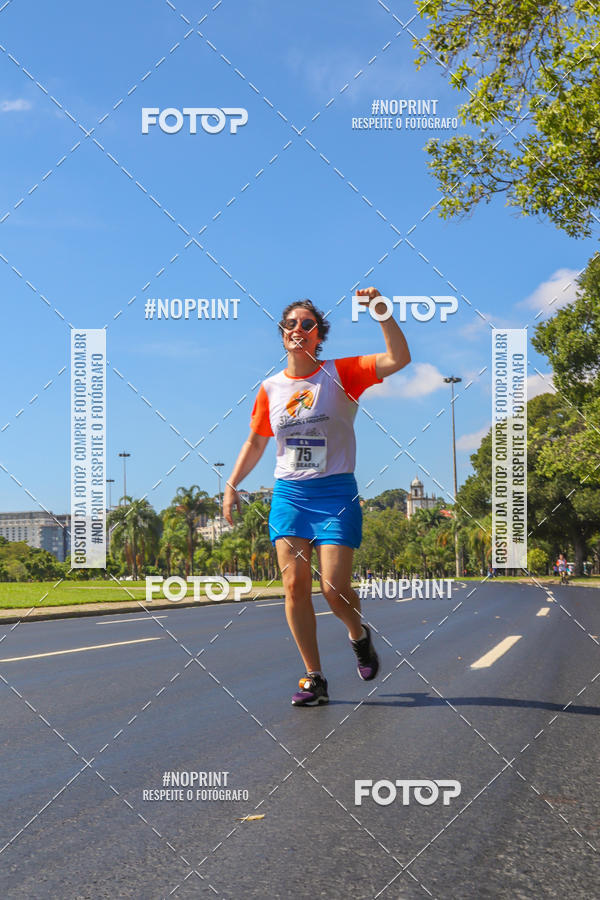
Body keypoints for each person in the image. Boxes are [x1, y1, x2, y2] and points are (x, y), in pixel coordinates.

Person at [223, 288, 410, 706]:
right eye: (291, 324)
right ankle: (314, 677)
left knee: (334, 588)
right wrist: (233, 483)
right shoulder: (269, 388)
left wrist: (381, 312)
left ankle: (358, 635)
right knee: (293, 586)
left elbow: (398, 359)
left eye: (307, 324)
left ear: (318, 335)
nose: (298, 329)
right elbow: (255, 442)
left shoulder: (341, 373)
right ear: (282, 333)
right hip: (290, 493)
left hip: (335, 493)